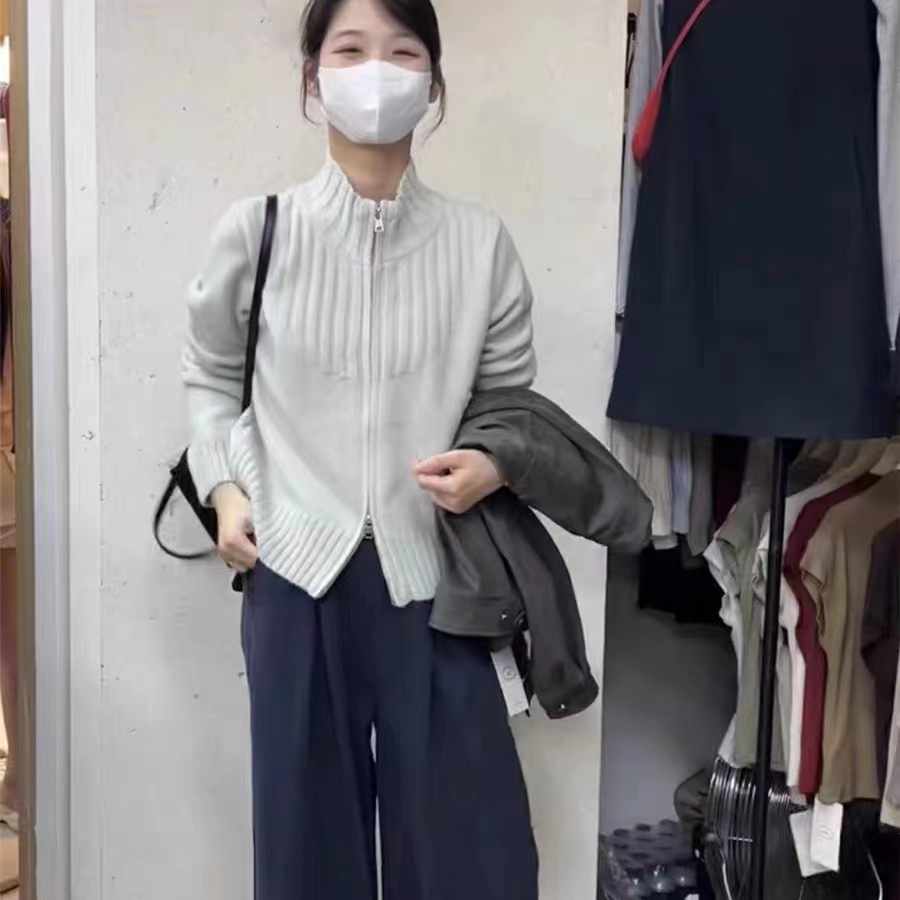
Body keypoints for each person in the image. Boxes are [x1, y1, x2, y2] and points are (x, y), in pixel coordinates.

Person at [181, 0, 540, 897]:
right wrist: (225, 491)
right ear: (313, 78)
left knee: (466, 857)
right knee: (307, 857)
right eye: (350, 49)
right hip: (296, 576)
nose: (376, 70)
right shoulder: (258, 231)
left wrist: (493, 464)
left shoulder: (480, 244)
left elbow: (509, 406)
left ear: (434, 82)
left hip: (443, 579)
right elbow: (210, 379)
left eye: (402, 50)